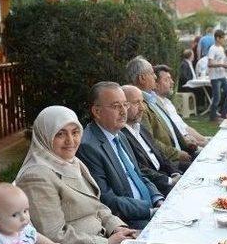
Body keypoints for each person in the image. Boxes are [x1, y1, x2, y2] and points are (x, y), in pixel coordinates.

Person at [16, 106, 134, 244]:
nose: (70, 141)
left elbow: (95, 204)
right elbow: (54, 235)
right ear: (45, 136)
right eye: (60, 134)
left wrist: (117, 227)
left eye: (75, 132)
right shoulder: (36, 177)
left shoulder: (71, 162)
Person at [77, 82, 165, 229]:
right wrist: (149, 211)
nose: (124, 111)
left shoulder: (120, 135)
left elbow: (138, 175)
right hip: (130, 221)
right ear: (97, 111)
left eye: (125, 105)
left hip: (152, 209)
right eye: (116, 106)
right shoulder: (88, 146)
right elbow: (107, 199)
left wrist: (158, 199)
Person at [127, 57, 195, 168]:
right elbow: (149, 141)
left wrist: (185, 143)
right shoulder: (139, 106)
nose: (155, 77)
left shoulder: (152, 98)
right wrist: (177, 154)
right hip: (169, 162)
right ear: (142, 78)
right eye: (152, 73)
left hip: (181, 152)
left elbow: (169, 129)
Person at [122, 85, 182, 196]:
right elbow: (139, 168)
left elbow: (160, 154)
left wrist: (174, 172)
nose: (142, 108)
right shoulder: (121, 136)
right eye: (136, 103)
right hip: (154, 187)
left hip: (166, 175)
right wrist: (169, 181)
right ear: (124, 106)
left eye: (142, 102)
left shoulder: (140, 128)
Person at [154, 65, 208, 147]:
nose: (172, 82)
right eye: (167, 80)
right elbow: (170, 135)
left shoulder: (167, 102)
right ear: (156, 85)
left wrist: (205, 141)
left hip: (189, 142)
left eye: (171, 79)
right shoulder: (156, 106)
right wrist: (199, 144)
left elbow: (185, 127)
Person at [207, 29, 227, 121]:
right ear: (218, 38)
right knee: (217, 98)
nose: (224, 40)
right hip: (215, 77)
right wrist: (221, 65)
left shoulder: (221, 48)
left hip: (222, 75)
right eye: (223, 38)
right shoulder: (212, 49)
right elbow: (210, 64)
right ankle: (213, 117)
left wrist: (225, 66)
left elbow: (221, 61)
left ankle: (223, 115)